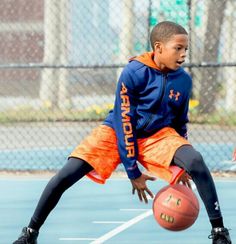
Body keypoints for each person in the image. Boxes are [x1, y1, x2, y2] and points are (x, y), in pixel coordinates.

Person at [13, 21, 231, 244]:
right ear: (158, 47)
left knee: (195, 160)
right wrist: (132, 171)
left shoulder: (183, 80)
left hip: (157, 135)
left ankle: (219, 232)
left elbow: (179, 122)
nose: (184, 54)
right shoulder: (134, 71)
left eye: (186, 49)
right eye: (178, 48)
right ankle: (30, 233)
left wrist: (182, 159)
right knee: (66, 175)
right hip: (116, 130)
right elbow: (124, 121)